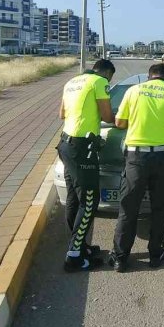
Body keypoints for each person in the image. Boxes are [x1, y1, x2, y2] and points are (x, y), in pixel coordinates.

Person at [110, 63, 164, 272]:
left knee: (128, 207)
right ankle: (155, 255)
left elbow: (120, 123)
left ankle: (120, 258)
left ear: (149, 77)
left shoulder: (133, 90)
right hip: (163, 157)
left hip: (136, 157)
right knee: (160, 207)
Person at [58, 59, 116, 273]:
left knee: (74, 197)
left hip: (66, 143)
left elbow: (62, 114)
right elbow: (108, 116)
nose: (109, 81)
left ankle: (79, 246)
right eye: (110, 77)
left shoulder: (72, 82)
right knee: (90, 200)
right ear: (107, 73)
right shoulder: (99, 82)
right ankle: (74, 256)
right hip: (83, 148)